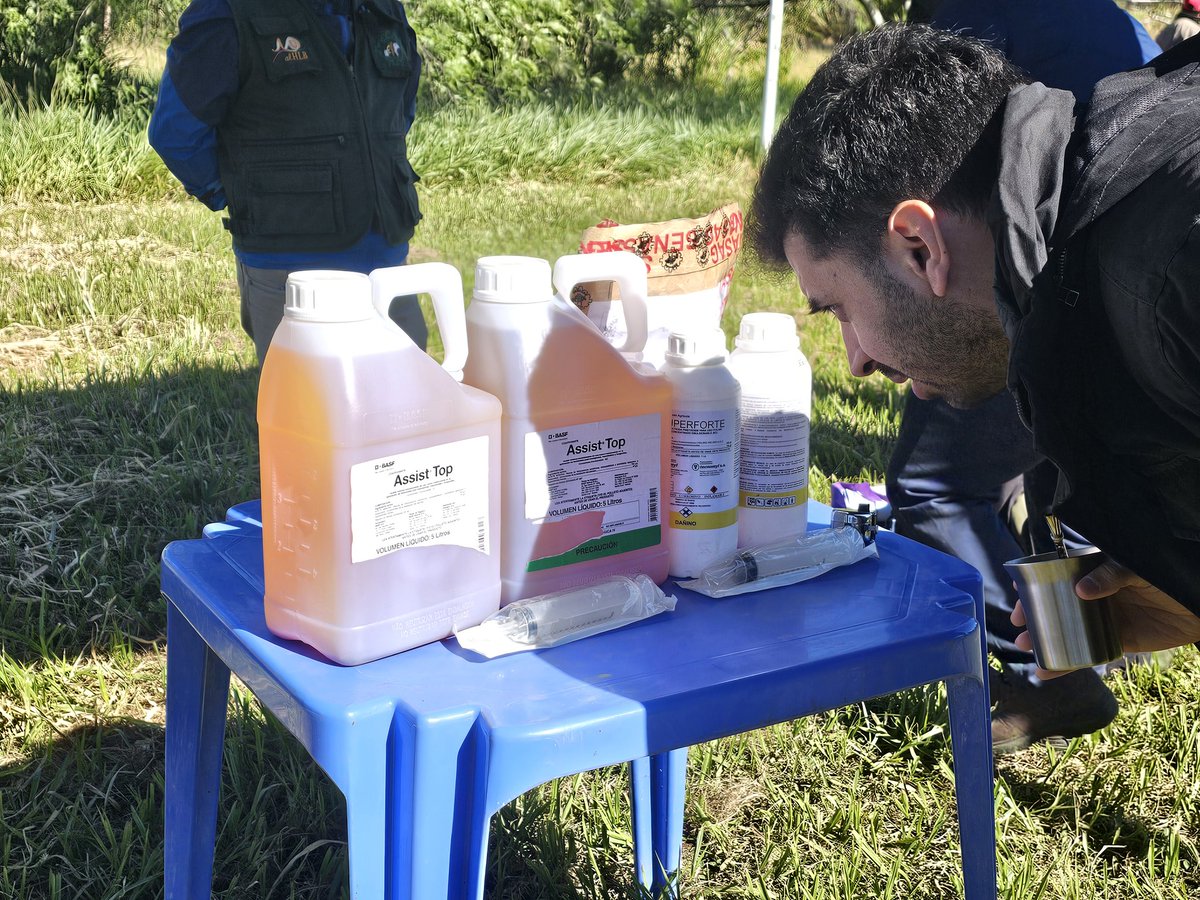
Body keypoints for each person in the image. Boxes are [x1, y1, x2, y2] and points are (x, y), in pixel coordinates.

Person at [750, 28, 1200, 694]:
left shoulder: (1169, 261)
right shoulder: (1095, 243)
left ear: (919, 247)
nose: (854, 364)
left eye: (840, 311)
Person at [884, 1, 1161, 755]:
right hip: (1129, 271)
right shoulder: (1103, 15)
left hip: (1047, 276)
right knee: (1050, 476)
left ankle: (1057, 673)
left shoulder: (962, 15)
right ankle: (1093, 635)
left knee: (937, 484)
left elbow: (931, 157)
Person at [149, 0, 426, 363]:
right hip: (290, 271)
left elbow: (399, 112)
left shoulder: (385, 8)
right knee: (309, 410)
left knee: (410, 405)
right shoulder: (226, 10)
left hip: (387, 260)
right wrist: (247, 192)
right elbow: (177, 134)